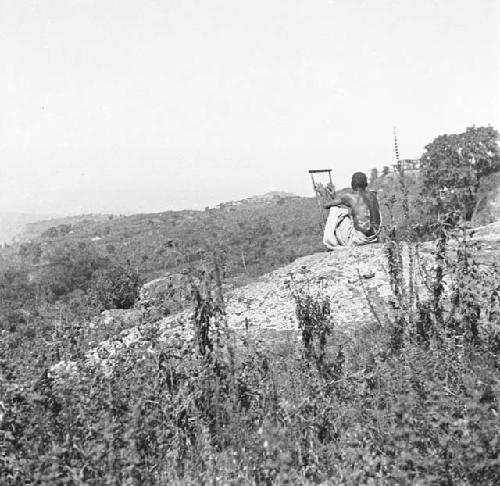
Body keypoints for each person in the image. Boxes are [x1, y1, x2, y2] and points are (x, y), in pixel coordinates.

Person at [320, 172, 381, 249]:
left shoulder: (349, 196)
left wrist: (323, 194)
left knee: (335, 209)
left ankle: (330, 241)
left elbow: (326, 205)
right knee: (348, 213)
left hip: (359, 239)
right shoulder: (373, 195)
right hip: (374, 237)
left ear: (352, 184)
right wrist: (334, 195)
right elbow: (353, 204)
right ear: (366, 184)